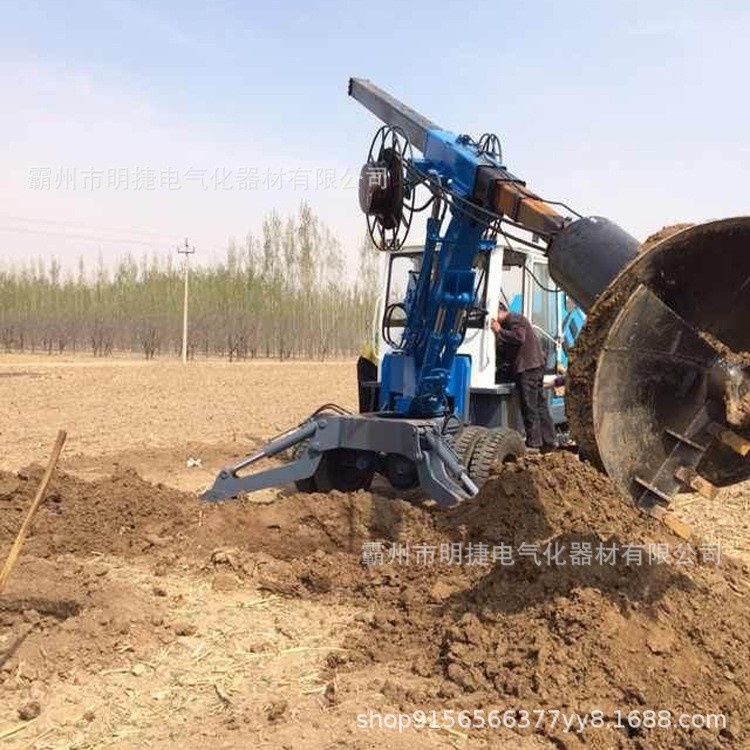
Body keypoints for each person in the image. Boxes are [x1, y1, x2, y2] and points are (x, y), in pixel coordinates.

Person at [490, 303, 557, 452]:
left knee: (529, 406)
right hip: (534, 366)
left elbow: (519, 337)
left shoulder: (514, 319)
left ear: (501, 311)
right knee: (539, 404)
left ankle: (534, 442)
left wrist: (499, 331)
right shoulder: (514, 320)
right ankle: (549, 440)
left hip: (528, 368)